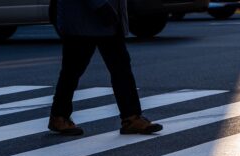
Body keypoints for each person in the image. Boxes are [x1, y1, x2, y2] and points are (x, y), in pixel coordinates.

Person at [48, 0, 163, 136]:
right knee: (73, 69)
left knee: (120, 68)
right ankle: (59, 116)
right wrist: (100, 5)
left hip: (105, 19)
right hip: (84, 17)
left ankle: (131, 118)